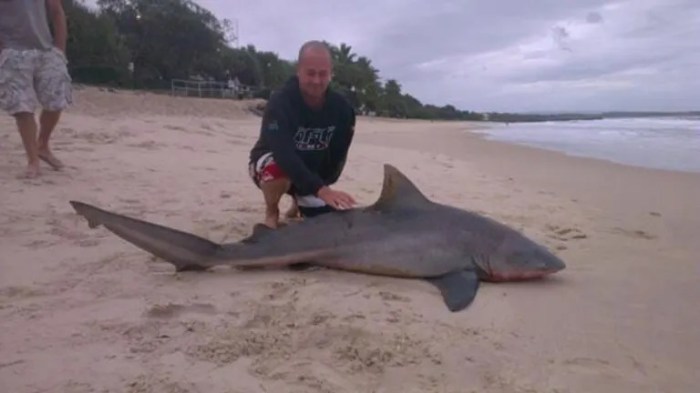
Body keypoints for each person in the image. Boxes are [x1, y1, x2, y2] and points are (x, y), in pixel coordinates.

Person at [248, 40, 357, 228]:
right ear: (298, 70)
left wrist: (323, 186)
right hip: (271, 165)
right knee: (277, 171)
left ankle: (299, 201)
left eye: (323, 74)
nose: (316, 80)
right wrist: (320, 190)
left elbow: (337, 156)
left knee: (325, 222)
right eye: (310, 73)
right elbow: (283, 154)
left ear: (331, 73)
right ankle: (272, 211)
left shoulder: (342, 109)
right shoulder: (280, 103)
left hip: (310, 172)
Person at [0, 0, 72, 179]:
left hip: (46, 50)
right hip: (13, 51)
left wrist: (60, 49)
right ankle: (33, 160)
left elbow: (57, 11)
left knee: (57, 99)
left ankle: (43, 145)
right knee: (22, 107)